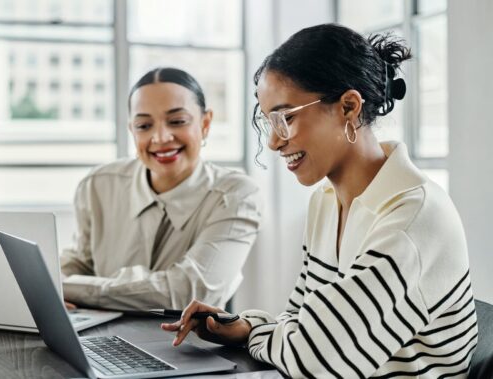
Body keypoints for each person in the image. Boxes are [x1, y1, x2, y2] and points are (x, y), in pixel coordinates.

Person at [162, 24, 477, 377]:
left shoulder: (412, 218)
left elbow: (315, 361)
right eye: (269, 122)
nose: (274, 142)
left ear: (348, 106)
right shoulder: (325, 202)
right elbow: (299, 320)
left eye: (287, 118)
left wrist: (260, 334)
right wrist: (246, 327)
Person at [61, 67, 262, 311]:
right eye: (144, 126)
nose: (161, 137)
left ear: (205, 123)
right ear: (131, 131)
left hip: (190, 346)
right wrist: (50, 287)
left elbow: (190, 293)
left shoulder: (236, 194)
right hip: (103, 339)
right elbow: (79, 263)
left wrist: (69, 287)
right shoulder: (98, 185)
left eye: (177, 121)